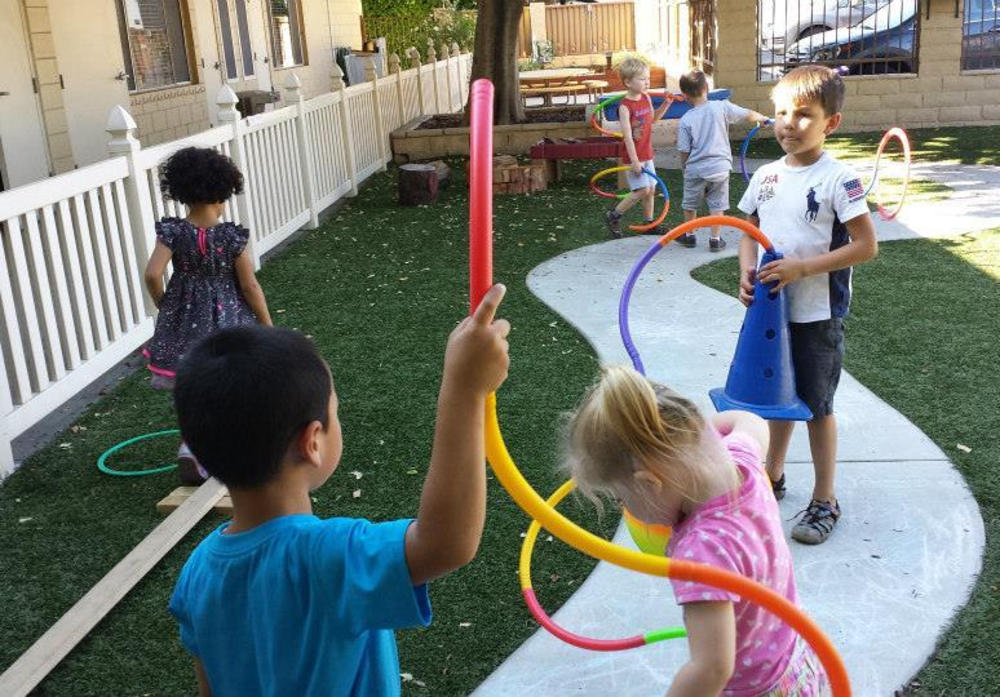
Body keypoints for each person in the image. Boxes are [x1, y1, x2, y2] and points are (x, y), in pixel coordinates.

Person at [168, 284, 511, 697]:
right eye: (336, 410)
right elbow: (446, 542)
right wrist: (466, 389)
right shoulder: (330, 557)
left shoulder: (198, 571)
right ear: (312, 442)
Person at [565, 365, 829, 696]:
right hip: (795, 661)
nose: (625, 508)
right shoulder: (742, 462)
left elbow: (712, 668)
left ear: (649, 483)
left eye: (621, 498)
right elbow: (750, 422)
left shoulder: (701, 554)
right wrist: (696, 441)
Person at [736, 65, 877, 545]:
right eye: (780, 113)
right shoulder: (767, 175)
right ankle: (772, 477)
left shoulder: (840, 178)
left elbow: (865, 246)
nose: (787, 124)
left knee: (817, 405)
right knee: (775, 400)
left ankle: (824, 499)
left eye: (803, 115)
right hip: (770, 312)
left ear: (829, 123)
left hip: (818, 314)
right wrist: (746, 270)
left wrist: (802, 269)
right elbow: (749, 230)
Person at [143, 146, 272, 483]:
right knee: (229, 382)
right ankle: (230, 446)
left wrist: (165, 306)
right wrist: (267, 325)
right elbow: (249, 287)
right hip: (228, 322)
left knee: (192, 387)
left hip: (184, 321)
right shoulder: (231, 237)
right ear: (222, 193)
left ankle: (191, 446)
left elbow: (152, 274)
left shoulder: (173, 232)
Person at [676, 69, 770, 251]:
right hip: (719, 168)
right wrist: (762, 118)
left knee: (690, 203)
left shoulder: (685, 120)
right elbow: (746, 113)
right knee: (717, 205)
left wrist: (684, 168)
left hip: (695, 169)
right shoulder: (721, 106)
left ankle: (689, 235)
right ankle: (715, 239)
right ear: (707, 87)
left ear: (684, 95)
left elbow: (684, 150)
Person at [604, 57, 670, 238]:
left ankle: (649, 223)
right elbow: (627, 137)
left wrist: (665, 105)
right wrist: (634, 160)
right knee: (642, 190)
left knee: (651, 190)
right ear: (628, 82)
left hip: (647, 153)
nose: (647, 82)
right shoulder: (624, 107)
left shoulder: (646, 98)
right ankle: (613, 215)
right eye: (642, 79)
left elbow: (653, 120)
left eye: (647, 78)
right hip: (634, 156)